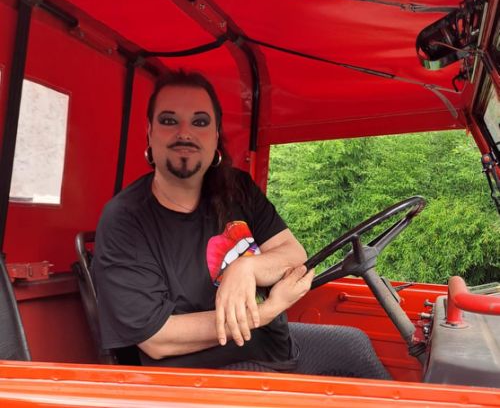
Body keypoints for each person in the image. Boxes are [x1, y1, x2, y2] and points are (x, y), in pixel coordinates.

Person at [92, 70, 390, 378]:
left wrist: (246, 268)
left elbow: (293, 253)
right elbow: (156, 340)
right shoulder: (125, 220)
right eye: (169, 120)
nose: (185, 133)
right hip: (203, 372)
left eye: (200, 122)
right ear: (150, 132)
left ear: (216, 135)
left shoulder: (237, 188)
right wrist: (265, 312)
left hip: (272, 346)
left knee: (354, 344)